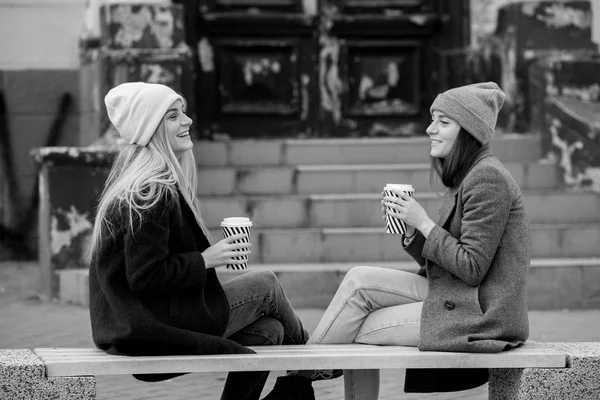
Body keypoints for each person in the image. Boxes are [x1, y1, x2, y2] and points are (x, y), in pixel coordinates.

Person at [262, 82, 530, 400]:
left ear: (468, 132)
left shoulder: (488, 179)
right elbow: (449, 263)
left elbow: (471, 267)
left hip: (482, 314)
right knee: (359, 280)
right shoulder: (468, 176)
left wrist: (424, 222)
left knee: (355, 329)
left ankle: (294, 385)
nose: (431, 129)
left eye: (443, 122)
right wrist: (411, 232)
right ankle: (297, 384)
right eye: (432, 119)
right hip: (460, 296)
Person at [87, 82, 310, 400]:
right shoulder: (150, 191)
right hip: (149, 327)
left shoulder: (143, 184)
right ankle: (313, 365)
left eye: (184, 112)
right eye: (173, 116)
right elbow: (145, 275)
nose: (188, 120)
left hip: (139, 324)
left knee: (269, 332)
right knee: (265, 284)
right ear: (153, 128)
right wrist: (207, 259)